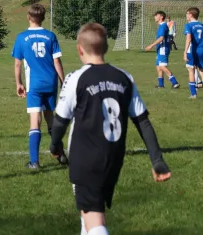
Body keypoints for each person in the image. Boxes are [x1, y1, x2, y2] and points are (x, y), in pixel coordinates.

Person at [50, 23, 171, 235]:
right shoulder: (124, 77)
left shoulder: (76, 78)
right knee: (89, 212)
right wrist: (157, 159)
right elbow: (143, 121)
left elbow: (60, 120)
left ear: (79, 49)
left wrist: (54, 145)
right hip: (113, 157)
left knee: (94, 219)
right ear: (106, 48)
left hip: (85, 156)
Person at [11, 4, 66, 169]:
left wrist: (19, 83)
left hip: (34, 85)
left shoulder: (21, 38)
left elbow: (17, 64)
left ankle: (34, 162)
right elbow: (56, 61)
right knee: (51, 118)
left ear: (28, 17)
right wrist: (63, 81)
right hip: (50, 83)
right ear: (43, 18)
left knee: (35, 121)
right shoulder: (50, 36)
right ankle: (61, 154)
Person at [145, 11, 179, 89]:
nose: (155, 17)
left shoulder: (163, 26)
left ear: (161, 16)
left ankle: (175, 82)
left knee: (162, 66)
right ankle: (161, 85)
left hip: (163, 49)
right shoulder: (161, 26)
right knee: (158, 66)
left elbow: (161, 38)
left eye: (156, 15)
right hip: (160, 48)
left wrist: (151, 46)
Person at [184, 7, 203, 99]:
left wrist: (184, 52)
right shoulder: (201, 25)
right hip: (202, 50)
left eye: (187, 13)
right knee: (201, 70)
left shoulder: (189, 25)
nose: (186, 15)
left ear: (191, 14)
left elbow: (188, 38)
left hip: (192, 50)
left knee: (191, 70)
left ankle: (193, 94)